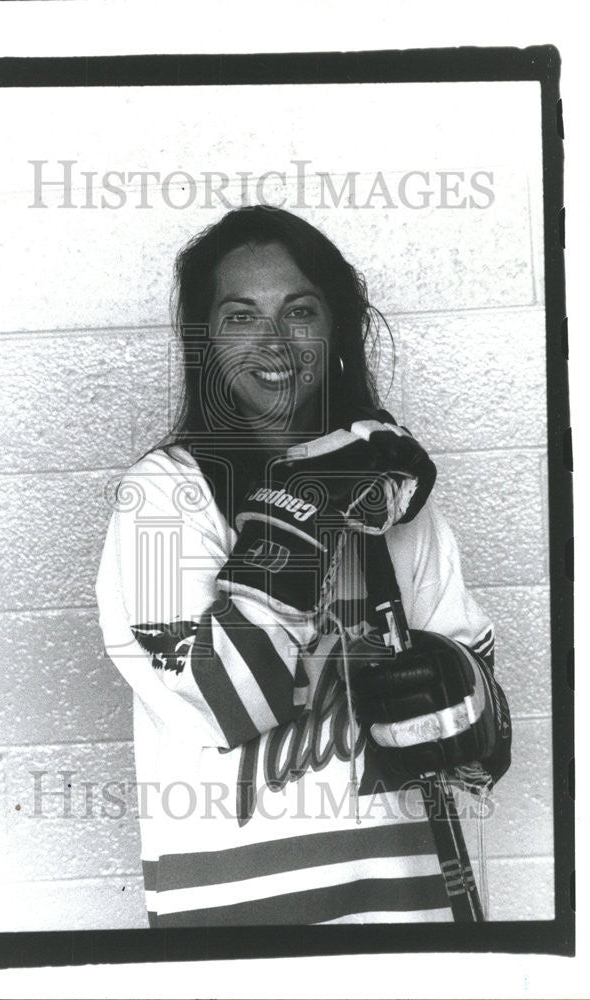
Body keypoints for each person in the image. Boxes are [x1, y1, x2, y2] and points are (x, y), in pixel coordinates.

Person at [96, 205, 511, 927]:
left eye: (300, 310)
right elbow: (224, 699)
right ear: (204, 340)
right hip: (240, 917)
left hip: (410, 904)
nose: (275, 341)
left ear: (336, 328)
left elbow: (480, 758)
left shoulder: (398, 499)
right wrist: (308, 500)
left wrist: (461, 694)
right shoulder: (161, 496)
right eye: (240, 316)